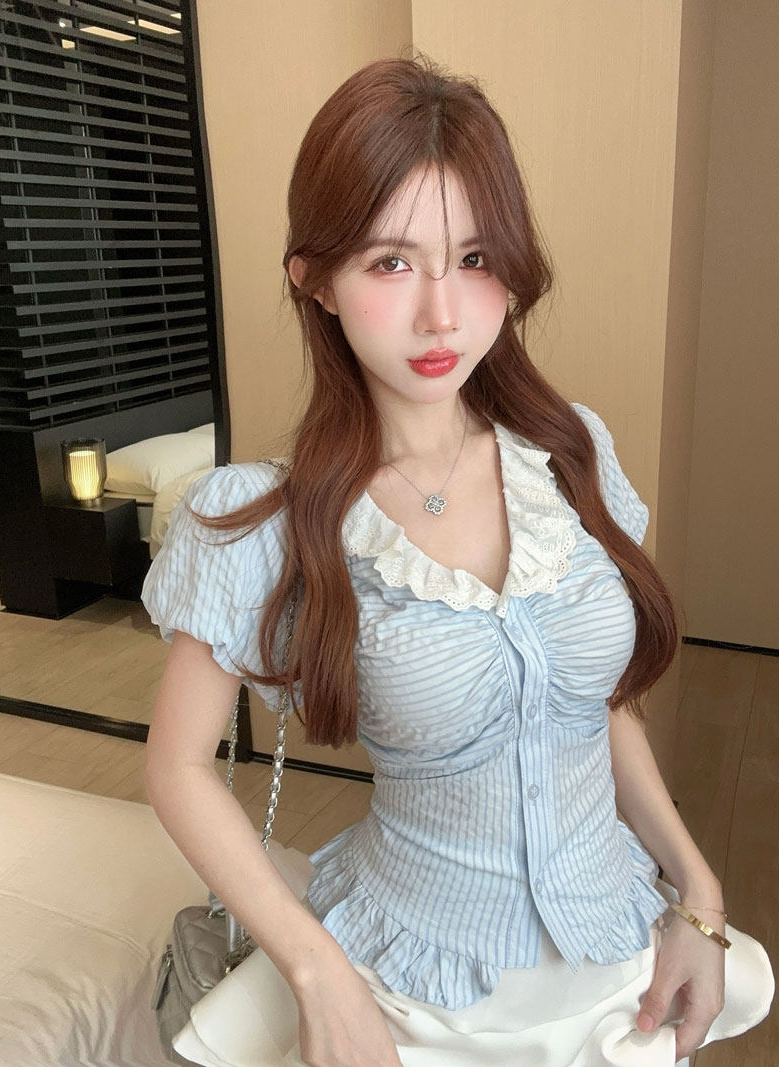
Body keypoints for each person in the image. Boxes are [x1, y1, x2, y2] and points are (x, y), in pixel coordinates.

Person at [141, 56, 773, 1067]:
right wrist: (317, 971)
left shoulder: (571, 456)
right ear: (315, 278)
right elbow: (176, 766)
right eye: (391, 262)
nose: (443, 315)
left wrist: (695, 890)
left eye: (475, 257)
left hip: (618, 963)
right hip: (409, 991)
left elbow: (594, 706)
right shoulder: (267, 521)